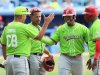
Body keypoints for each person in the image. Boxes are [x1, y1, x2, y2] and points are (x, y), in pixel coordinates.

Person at [0, 6, 54, 75]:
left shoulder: (7, 27)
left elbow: (3, 44)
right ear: (21, 15)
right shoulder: (24, 27)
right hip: (20, 59)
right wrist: (46, 23)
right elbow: (39, 37)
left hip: (9, 59)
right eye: (25, 15)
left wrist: (5, 58)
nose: (25, 17)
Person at [41, 6, 89, 75]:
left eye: (70, 16)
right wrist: (40, 38)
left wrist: (92, 57)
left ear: (74, 17)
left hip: (78, 58)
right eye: (66, 17)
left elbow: (89, 43)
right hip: (65, 58)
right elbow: (51, 42)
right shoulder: (60, 29)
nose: (68, 19)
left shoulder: (83, 29)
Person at [28, 7, 53, 75]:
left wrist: (48, 53)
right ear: (31, 17)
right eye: (36, 17)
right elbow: (38, 38)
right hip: (32, 56)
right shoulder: (28, 28)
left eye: (39, 16)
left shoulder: (39, 28)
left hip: (41, 56)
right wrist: (46, 23)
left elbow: (41, 44)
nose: (39, 19)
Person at [83, 5, 100, 75]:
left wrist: (95, 59)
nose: (85, 16)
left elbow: (98, 42)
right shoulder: (95, 24)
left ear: (91, 15)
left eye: (86, 14)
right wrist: (91, 58)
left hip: (98, 57)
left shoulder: (97, 25)